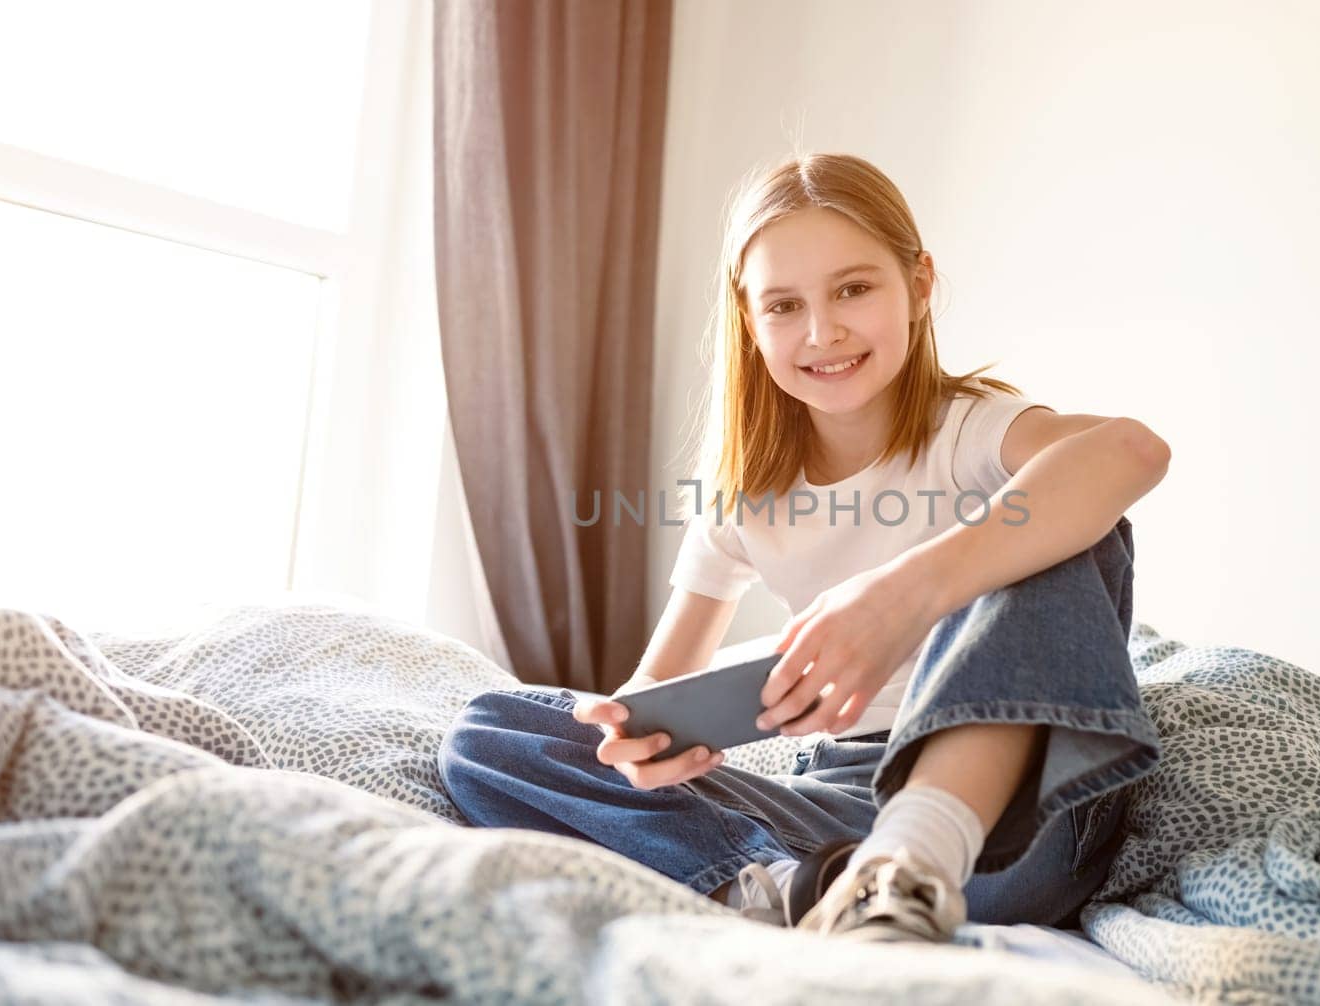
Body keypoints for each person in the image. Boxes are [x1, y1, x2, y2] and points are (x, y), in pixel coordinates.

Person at [438, 152, 1171, 944]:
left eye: (854, 289)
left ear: (920, 286)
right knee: (491, 734)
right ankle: (788, 894)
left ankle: (909, 863)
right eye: (784, 305)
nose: (822, 332)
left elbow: (1130, 452)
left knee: (1067, 525)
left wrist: (902, 595)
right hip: (841, 808)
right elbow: (657, 682)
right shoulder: (744, 493)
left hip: (1020, 821)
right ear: (750, 322)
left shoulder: (974, 434)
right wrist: (632, 741)